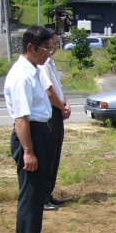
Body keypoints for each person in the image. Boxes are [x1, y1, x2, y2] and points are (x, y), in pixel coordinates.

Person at [3, 26, 56, 233]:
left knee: (37, 191)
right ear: (30, 48)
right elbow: (21, 119)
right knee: (31, 193)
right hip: (30, 136)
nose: (48, 54)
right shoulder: (21, 76)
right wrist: (28, 152)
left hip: (39, 133)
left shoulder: (33, 70)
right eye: (45, 49)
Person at [38, 33, 71, 211]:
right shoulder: (42, 66)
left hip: (57, 110)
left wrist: (66, 104)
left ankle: (48, 194)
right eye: (53, 43)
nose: (55, 47)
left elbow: (58, 89)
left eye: (58, 43)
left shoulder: (51, 64)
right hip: (51, 112)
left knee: (55, 154)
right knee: (49, 155)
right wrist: (61, 107)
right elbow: (49, 93)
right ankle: (43, 197)